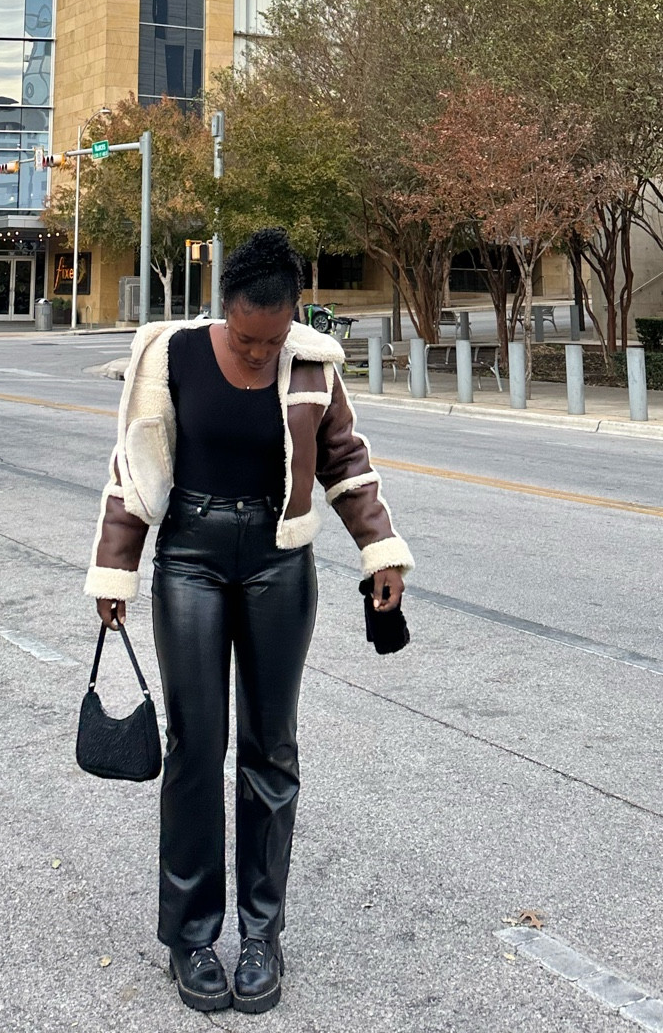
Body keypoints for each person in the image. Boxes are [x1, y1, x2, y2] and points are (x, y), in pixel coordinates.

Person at [85, 228, 413, 1015]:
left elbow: (345, 461)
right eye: (246, 336)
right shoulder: (171, 353)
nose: (260, 351)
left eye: (272, 338)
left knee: (272, 751)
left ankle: (262, 936)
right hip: (190, 555)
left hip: (278, 561)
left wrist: (381, 552)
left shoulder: (313, 363)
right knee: (197, 747)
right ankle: (191, 939)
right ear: (223, 311)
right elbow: (136, 464)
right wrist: (116, 566)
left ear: (295, 316)